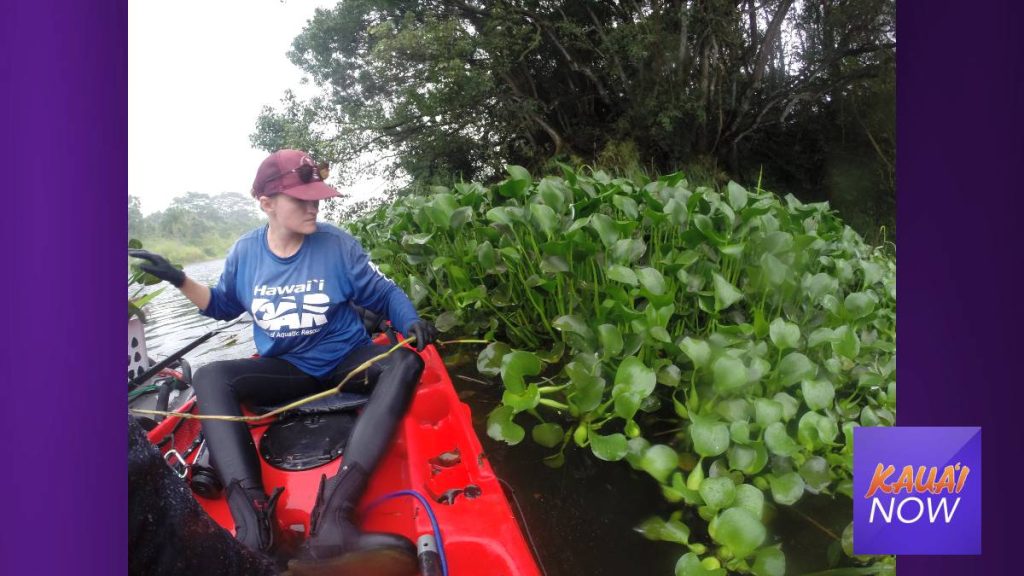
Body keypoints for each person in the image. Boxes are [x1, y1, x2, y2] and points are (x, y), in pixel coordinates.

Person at [129, 149, 438, 564]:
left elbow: (382, 294)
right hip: (288, 370)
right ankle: (255, 524)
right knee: (210, 376)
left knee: (404, 362)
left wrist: (411, 320)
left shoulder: (337, 245)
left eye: (317, 198)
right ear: (267, 202)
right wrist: (179, 278)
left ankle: (336, 512)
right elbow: (222, 304)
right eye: (302, 199)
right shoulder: (245, 253)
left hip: (346, 360)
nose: (314, 206)